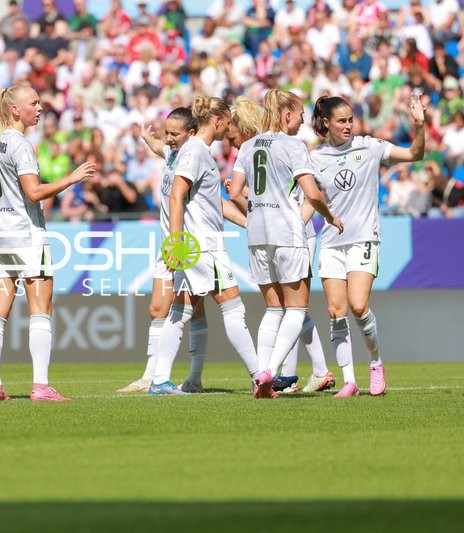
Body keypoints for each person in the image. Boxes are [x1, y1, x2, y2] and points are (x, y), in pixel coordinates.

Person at [0, 84, 95, 402]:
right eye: (34, 103)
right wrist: (70, 178)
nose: (40, 107)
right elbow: (33, 192)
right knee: (41, 308)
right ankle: (40, 386)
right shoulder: (20, 144)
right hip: (27, 235)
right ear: (15, 110)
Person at [309, 94, 426, 397]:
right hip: (332, 242)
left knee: (358, 306)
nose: (348, 125)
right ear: (326, 123)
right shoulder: (315, 158)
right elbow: (312, 201)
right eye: (342, 121)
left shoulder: (370, 147)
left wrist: (419, 125)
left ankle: (376, 363)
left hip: (363, 238)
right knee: (336, 311)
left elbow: (415, 153)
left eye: (351, 119)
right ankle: (349, 381)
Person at [229, 89, 343, 399]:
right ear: (286, 115)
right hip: (289, 234)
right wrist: (330, 218)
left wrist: (259, 209)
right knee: (297, 309)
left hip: (257, 236)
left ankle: (261, 376)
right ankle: (269, 373)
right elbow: (313, 193)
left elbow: (235, 191)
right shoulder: (294, 146)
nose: (304, 119)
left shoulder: (248, 146)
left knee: (272, 309)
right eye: (300, 113)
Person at [148, 97, 257, 395]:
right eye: (229, 122)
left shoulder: (194, 152)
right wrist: (175, 241)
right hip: (203, 245)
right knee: (233, 309)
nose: (230, 128)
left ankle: (163, 380)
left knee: (180, 310)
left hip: (195, 244)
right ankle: (260, 377)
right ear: (219, 120)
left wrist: (250, 224)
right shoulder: (195, 150)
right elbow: (176, 196)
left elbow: (214, 203)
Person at [117, 107, 197, 393]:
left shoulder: (193, 159)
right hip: (168, 243)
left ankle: (185, 375)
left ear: (192, 133)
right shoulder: (172, 154)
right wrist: (144, 137)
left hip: (185, 246)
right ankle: (150, 375)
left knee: (192, 312)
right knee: (157, 308)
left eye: (175, 134)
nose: (170, 139)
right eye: (168, 133)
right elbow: (158, 146)